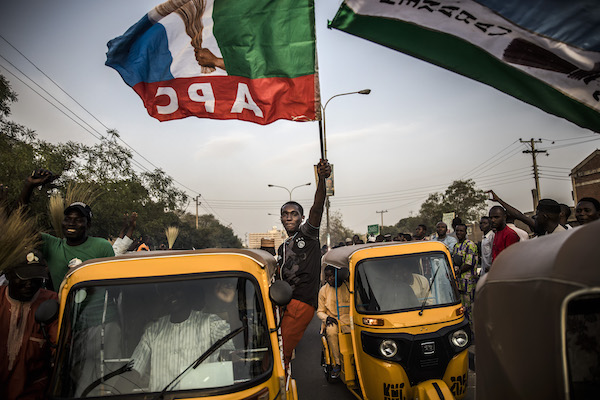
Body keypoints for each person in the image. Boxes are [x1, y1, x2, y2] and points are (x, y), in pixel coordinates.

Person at [19, 169, 115, 291]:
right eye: (68, 219)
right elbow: (20, 223)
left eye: (78, 220)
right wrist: (29, 186)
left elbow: (112, 284)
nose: (71, 223)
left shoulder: (102, 247)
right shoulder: (52, 246)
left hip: (96, 309)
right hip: (64, 309)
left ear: (88, 224)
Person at [276, 159, 331, 371]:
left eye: (294, 214)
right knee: (276, 349)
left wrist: (322, 180)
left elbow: (317, 207)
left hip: (301, 303)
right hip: (285, 303)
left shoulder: (307, 235)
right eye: (285, 214)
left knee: (282, 354)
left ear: (301, 218)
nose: (289, 217)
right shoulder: (282, 247)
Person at [127, 285, 233, 392]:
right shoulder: (153, 331)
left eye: (176, 288)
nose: (170, 294)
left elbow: (232, 346)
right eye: (165, 291)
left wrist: (230, 304)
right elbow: (133, 370)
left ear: (186, 291)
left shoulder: (210, 322)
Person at [1, 251, 58, 400]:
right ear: (8, 274)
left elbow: (59, 347)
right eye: (24, 278)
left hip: (34, 393)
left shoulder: (51, 302)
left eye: (36, 278)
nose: (30, 284)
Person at [317, 266, 350, 379]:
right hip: (333, 319)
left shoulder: (349, 287)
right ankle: (337, 363)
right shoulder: (323, 290)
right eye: (327, 277)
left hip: (349, 319)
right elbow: (320, 311)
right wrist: (326, 318)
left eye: (332, 276)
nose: (329, 279)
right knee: (331, 331)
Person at [451, 224, 478, 330]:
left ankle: (471, 331)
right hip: (459, 283)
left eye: (461, 231)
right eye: (457, 231)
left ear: (466, 232)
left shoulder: (470, 245)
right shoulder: (456, 246)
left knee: (469, 309)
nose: (459, 233)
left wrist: (457, 272)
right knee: (462, 309)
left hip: (468, 282)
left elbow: (469, 263)